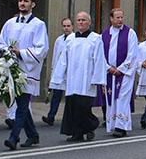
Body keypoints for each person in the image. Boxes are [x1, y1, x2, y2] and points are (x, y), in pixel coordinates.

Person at [0, 0, 49, 150]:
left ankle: (14, 137)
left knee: (22, 105)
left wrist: (21, 53)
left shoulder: (38, 25)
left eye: (26, 1)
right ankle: (33, 135)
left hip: (28, 70)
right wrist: (7, 53)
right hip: (12, 69)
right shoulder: (10, 23)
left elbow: (42, 49)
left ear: (32, 4)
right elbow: (1, 43)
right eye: (20, 0)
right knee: (21, 102)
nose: (22, 3)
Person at [51, 11, 106, 142]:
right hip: (72, 78)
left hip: (87, 79)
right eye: (79, 20)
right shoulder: (70, 39)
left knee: (83, 107)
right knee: (73, 107)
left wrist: (98, 79)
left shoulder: (95, 38)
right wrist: (58, 77)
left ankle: (91, 125)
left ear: (89, 22)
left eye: (84, 20)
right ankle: (77, 133)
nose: (81, 22)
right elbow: (63, 59)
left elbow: (99, 59)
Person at [96, 8, 138, 138]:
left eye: (121, 17)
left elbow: (133, 54)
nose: (120, 20)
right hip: (109, 73)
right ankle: (113, 124)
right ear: (111, 19)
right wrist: (108, 67)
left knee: (122, 99)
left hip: (124, 73)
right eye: (117, 17)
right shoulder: (104, 35)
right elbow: (100, 55)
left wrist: (121, 69)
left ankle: (121, 126)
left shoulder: (130, 33)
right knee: (111, 99)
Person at [42, 17, 74, 126]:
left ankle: (69, 118)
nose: (66, 28)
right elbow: (55, 57)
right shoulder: (59, 40)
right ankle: (51, 116)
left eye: (68, 26)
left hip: (70, 73)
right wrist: (53, 72)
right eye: (64, 26)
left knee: (70, 98)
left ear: (72, 27)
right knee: (56, 96)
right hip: (59, 72)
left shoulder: (75, 39)